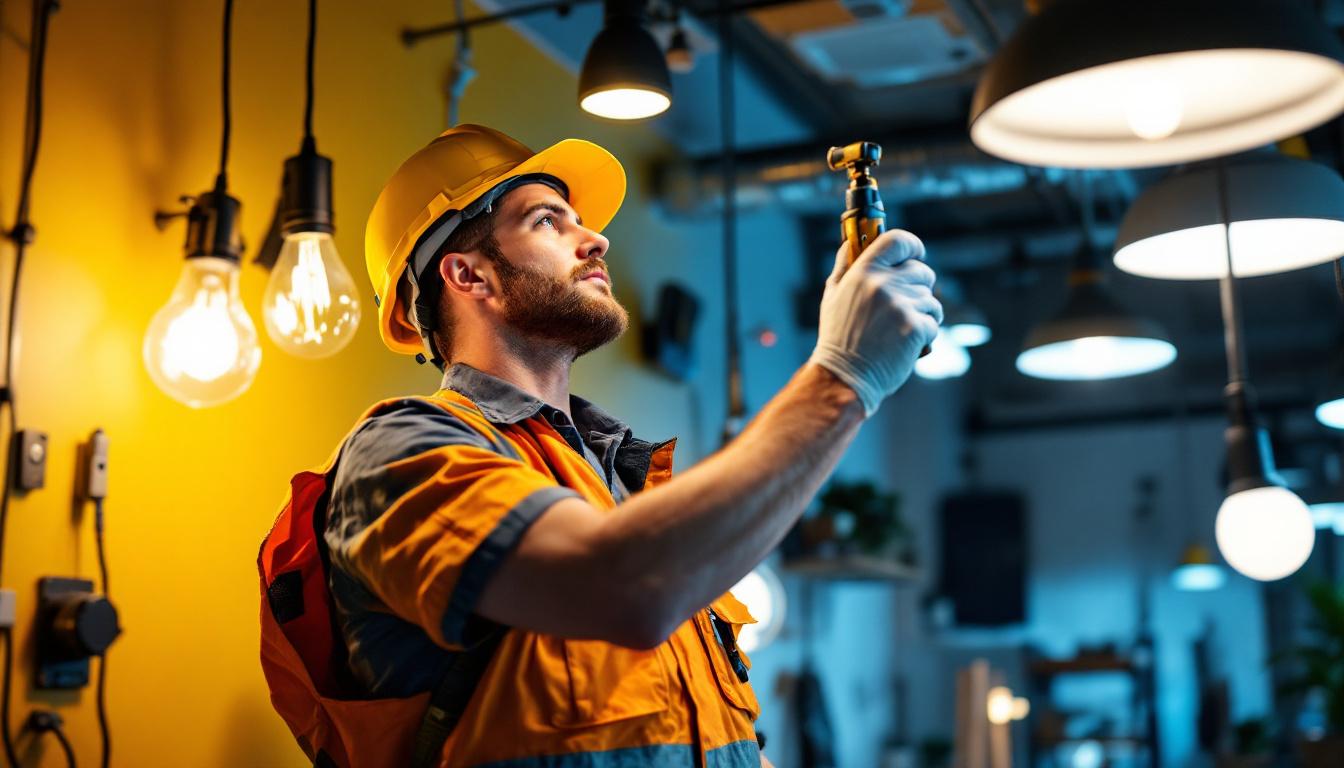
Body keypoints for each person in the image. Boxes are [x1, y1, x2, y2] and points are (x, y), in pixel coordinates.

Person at [258, 124, 941, 768]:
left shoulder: (627, 485)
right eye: (547, 220)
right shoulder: (400, 455)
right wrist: (842, 379)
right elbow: (622, 587)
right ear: (469, 276)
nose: (597, 240)